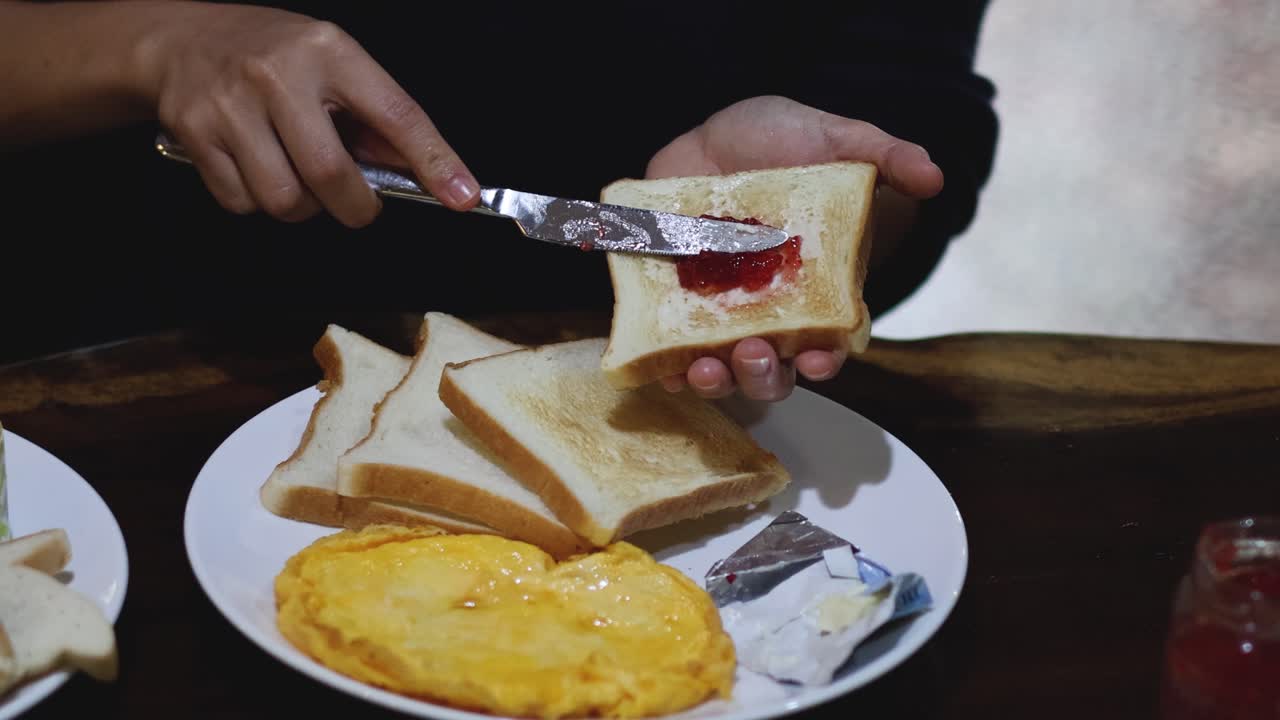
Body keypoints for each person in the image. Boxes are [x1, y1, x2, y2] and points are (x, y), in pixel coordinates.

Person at [0, 1, 998, 401]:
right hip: (112, 370)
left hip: (645, 395)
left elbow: (906, 102)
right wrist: (148, 46)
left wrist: (820, 217)